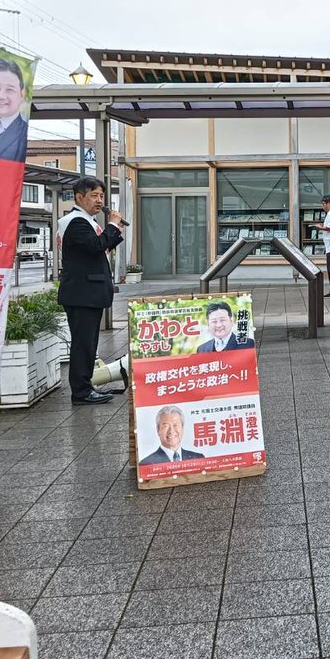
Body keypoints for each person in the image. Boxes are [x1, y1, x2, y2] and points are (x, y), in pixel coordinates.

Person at [57, 177, 124, 405]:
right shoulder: (76, 222)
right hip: (82, 293)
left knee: (88, 343)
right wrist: (112, 226)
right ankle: (81, 392)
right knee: (83, 344)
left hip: (86, 293)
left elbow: (98, 247)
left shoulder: (85, 221)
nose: (99, 201)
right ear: (79, 197)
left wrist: (114, 231)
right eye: (94, 195)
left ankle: (85, 387)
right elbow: (95, 246)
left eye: (101, 196)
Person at [139, 405, 204, 464]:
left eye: (175, 425)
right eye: (165, 426)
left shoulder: (199, 458)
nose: (171, 431)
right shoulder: (146, 463)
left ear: (182, 428)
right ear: (158, 430)